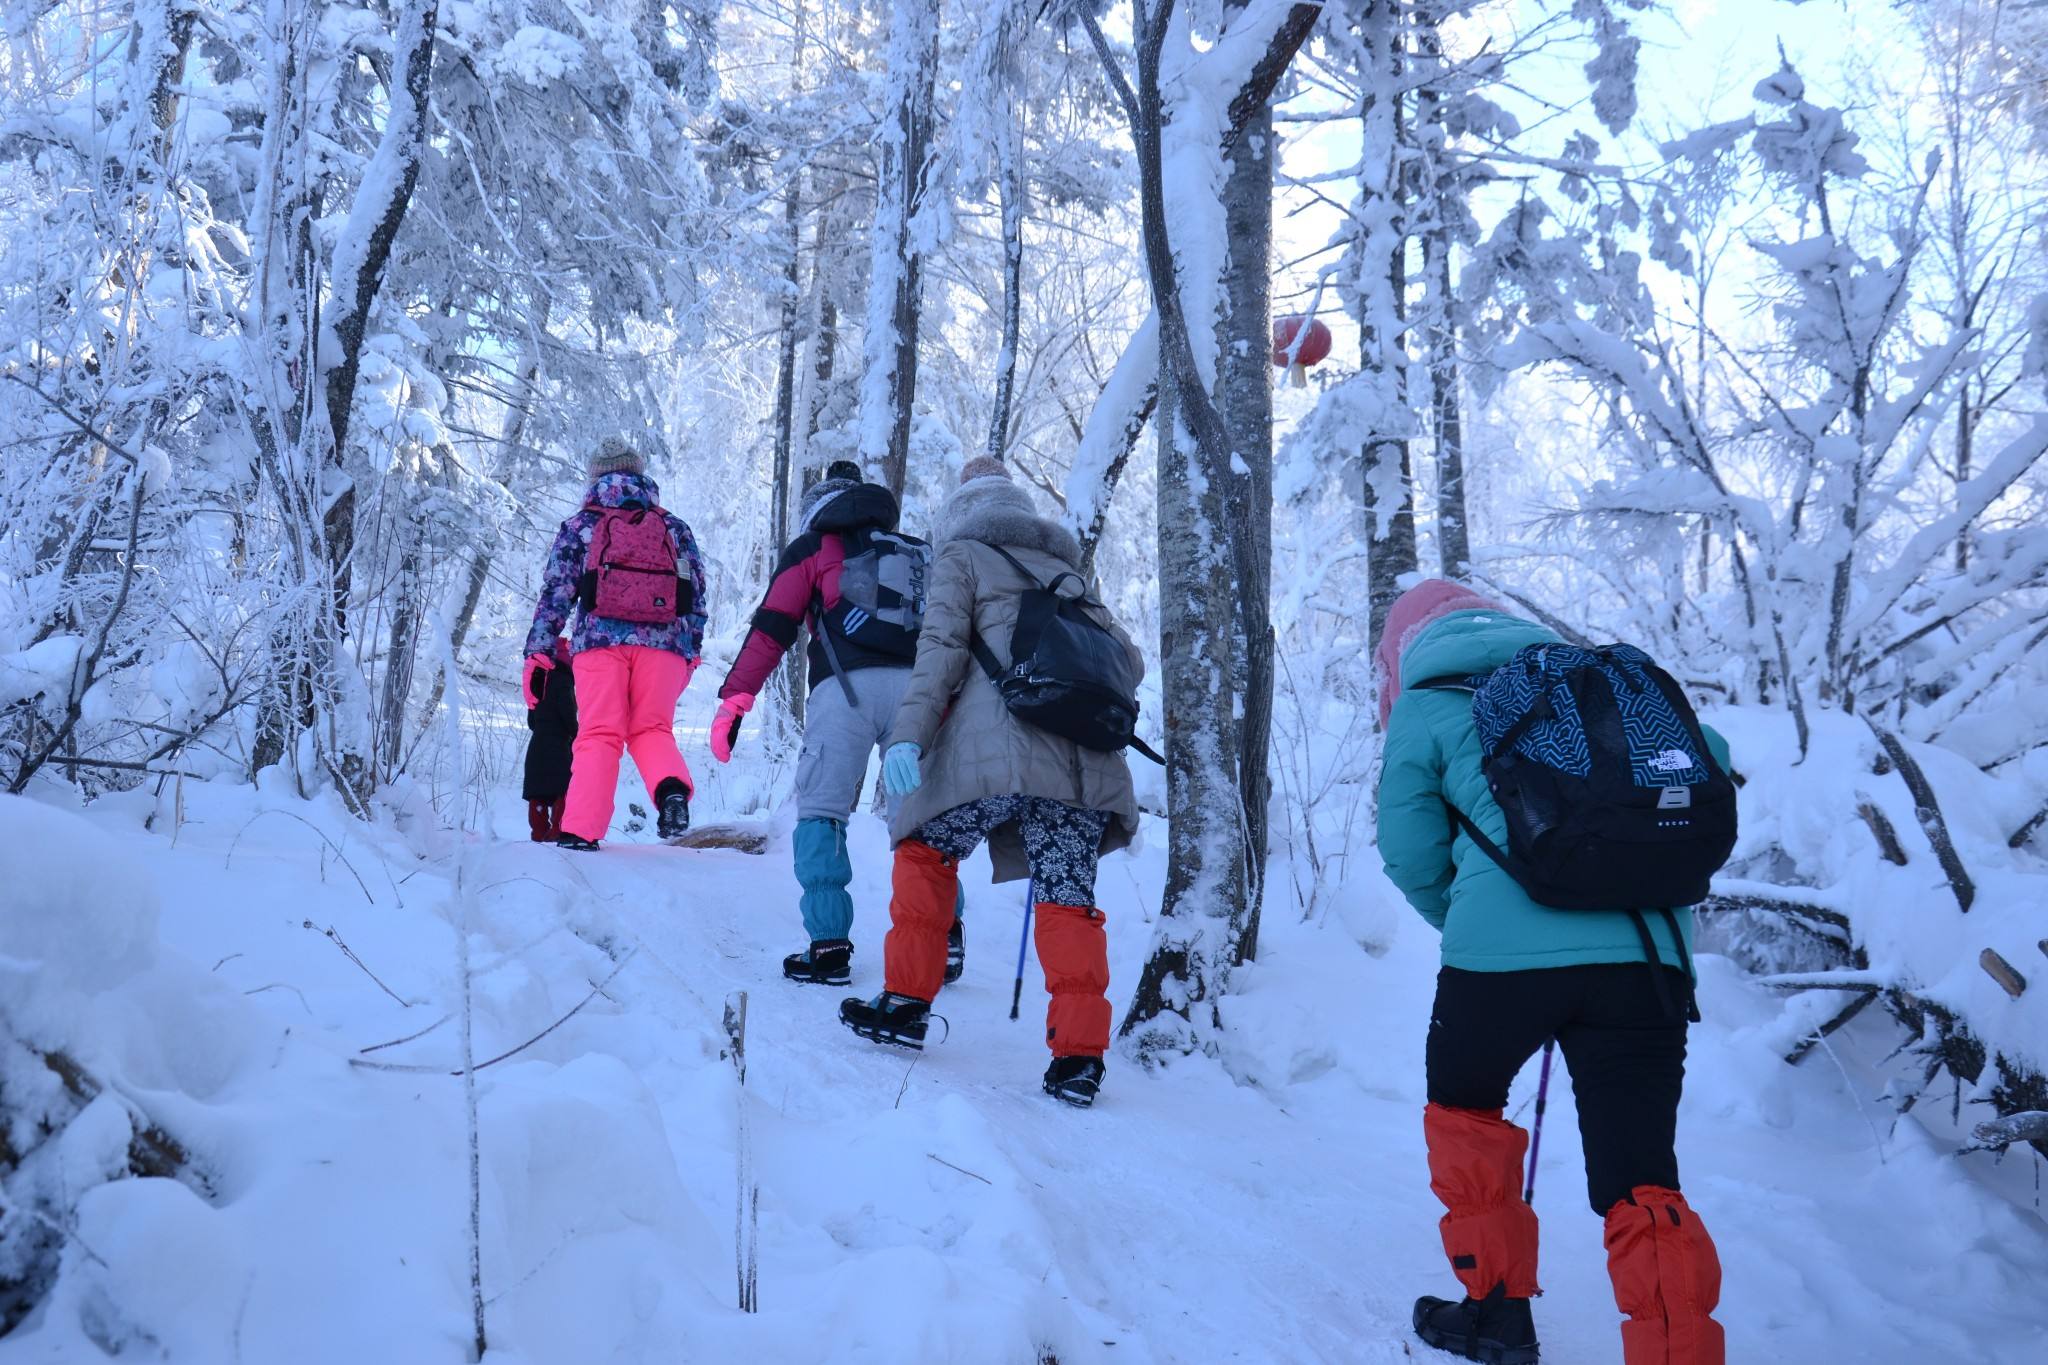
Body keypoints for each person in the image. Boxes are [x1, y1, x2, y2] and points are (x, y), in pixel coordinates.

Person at [1374, 579, 1728, 1365]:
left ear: (1402, 651)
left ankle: (1496, 1313)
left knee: (1466, 1112)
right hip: (1646, 958)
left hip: (1498, 966)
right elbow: (1714, 762)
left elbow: (1408, 850)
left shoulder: (1425, 706)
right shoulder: (1597, 687)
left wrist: (1471, 919)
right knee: (1642, 1174)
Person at [838, 457, 1142, 1110]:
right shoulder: (1067, 572)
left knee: (925, 846)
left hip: (999, 753)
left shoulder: (963, 557)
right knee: (1068, 895)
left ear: (959, 515)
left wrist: (908, 737)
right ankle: (1079, 1058)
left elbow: (939, 655)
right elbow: (1129, 660)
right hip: (1083, 760)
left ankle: (905, 1002)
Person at [708, 459, 959, 987]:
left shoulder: (813, 548)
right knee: (921, 820)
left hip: (843, 693)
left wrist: (735, 700)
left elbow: (772, 628)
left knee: (823, 812)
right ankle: (944, 937)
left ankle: (828, 947)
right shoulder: (916, 550)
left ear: (815, 510)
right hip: (918, 695)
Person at [523, 436, 707, 851]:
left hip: (599, 643)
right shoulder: (674, 528)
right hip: (664, 644)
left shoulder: (580, 526)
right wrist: (691, 649)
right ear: (640, 474)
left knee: (599, 733)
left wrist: (539, 651)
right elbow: (696, 595)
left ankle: (581, 830)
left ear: (594, 477)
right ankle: (671, 792)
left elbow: (556, 594)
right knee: (652, 728)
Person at [522, 637, 577, 841]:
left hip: (537, 744)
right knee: (562, 789)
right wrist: (577, 735)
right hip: (559, 744)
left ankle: (538, 832)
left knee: (538, 791)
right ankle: (557, 830)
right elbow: (568, 714)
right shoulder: (563, 679)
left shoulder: (536, 678)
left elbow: (531, 720)